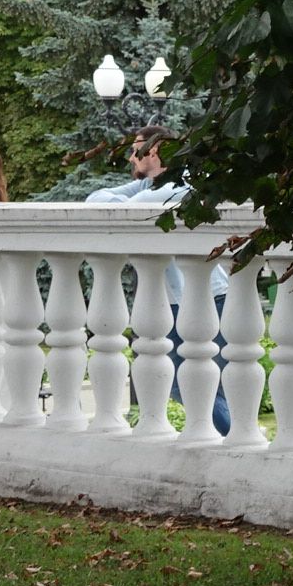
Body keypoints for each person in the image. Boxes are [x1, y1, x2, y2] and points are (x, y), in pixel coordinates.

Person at [88, 125, 232, 436]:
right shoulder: (151, 186)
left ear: (153, 151)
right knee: (185, 385)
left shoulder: (181, 185)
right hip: (177, 300)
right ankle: (233, 441)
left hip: (206, 297)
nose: (130, 157)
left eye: (135, 149)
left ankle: (238, 440)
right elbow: (95, 200)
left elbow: (128, 208)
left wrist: (133, 194)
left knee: (197, 385)